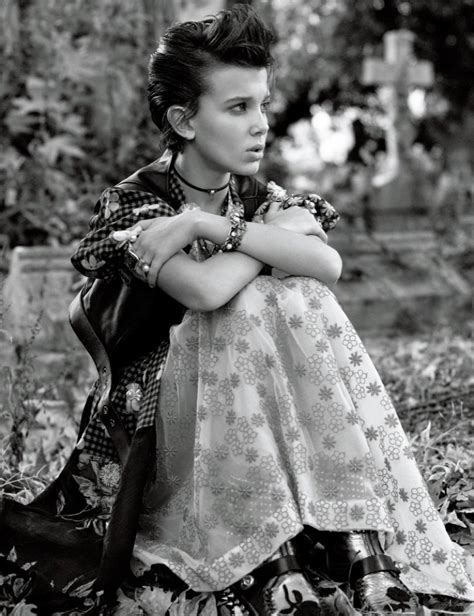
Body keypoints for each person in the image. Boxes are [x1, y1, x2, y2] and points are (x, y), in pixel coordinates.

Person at [1, 5, 472, 616]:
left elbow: (327, 266)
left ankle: (358, 539)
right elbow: (204, 292)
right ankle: (271, 558)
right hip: (162, 421)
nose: (261, 125)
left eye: (264, 105)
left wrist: (209, 226)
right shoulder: (135, 205)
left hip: (259, 413)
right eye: (238, 107)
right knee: (252, 296)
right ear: (183, 120)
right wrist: (266, 238)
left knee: (302, 293)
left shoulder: (252, 197)